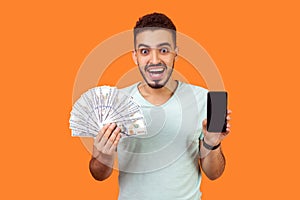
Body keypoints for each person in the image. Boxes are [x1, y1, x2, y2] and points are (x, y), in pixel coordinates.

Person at [89, 12, 231, 200]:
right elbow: (99, 174)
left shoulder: (203, 98)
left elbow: (214, 174)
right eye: (145, 51)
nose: (154, 60)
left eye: (163, 50)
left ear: (175, 54)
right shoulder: (114, 103)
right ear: (135, 56)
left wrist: (213, 144)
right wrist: (103, 155)